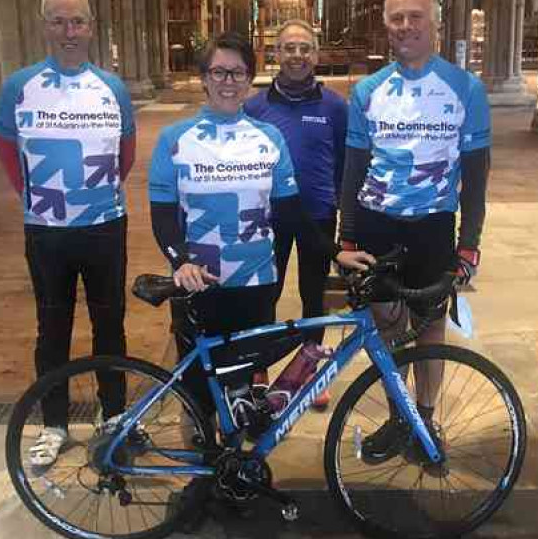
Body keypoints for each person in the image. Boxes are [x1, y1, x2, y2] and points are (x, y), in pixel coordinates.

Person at [148, 31, 371, 423]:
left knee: (239, 389)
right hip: (200, 280)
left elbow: (291, 212)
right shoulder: (174, 139)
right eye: (219, 72)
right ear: (203, 77)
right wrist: (180, 260)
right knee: (198, 392)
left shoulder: (269, 138)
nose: (227, 82)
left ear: (250, 79)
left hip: (256, 284)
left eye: (237, 73)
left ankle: (232, 471)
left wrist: (335, 250)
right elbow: (163, 214)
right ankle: (202, 475)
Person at [339, 0, 491, 463]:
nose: (405, 27)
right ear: (386, 26)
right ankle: (397, 416)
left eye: (415, 17)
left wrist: (469, 243)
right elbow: (354, 167)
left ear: (435, 25)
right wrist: (346, 234)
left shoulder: (465, 88)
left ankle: (424, 418)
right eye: (396, 18)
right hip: (376, 222)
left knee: (428, 326)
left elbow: (477, 175)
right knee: (385, 326)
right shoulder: (367, 90)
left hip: (431, 224)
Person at [0, 0, 136, 467]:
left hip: (103, 226)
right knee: (51, 328)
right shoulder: (20, 87)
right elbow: (9, 153)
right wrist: (39, 201)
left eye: (77, 21)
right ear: (44, 28)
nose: (68, 31)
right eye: (58, 21)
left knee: (109, 323)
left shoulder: (111, 88)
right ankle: (53, 422)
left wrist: (92, 199)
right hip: (47, 230)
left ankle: (113, 415)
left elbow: (126, 154)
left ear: (92, 28)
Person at [244, 19, 347, 408]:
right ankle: (258, 370)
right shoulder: (255, 107)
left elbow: (344, 162)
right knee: (263, 295)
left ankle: (308, 372)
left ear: (316, 54)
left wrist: (337, 202)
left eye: (305, 48)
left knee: (313, 295)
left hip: (318, 214)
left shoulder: (335, 107)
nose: (298, 56)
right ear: (276, 54)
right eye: (289, 48)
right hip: (268, 216)